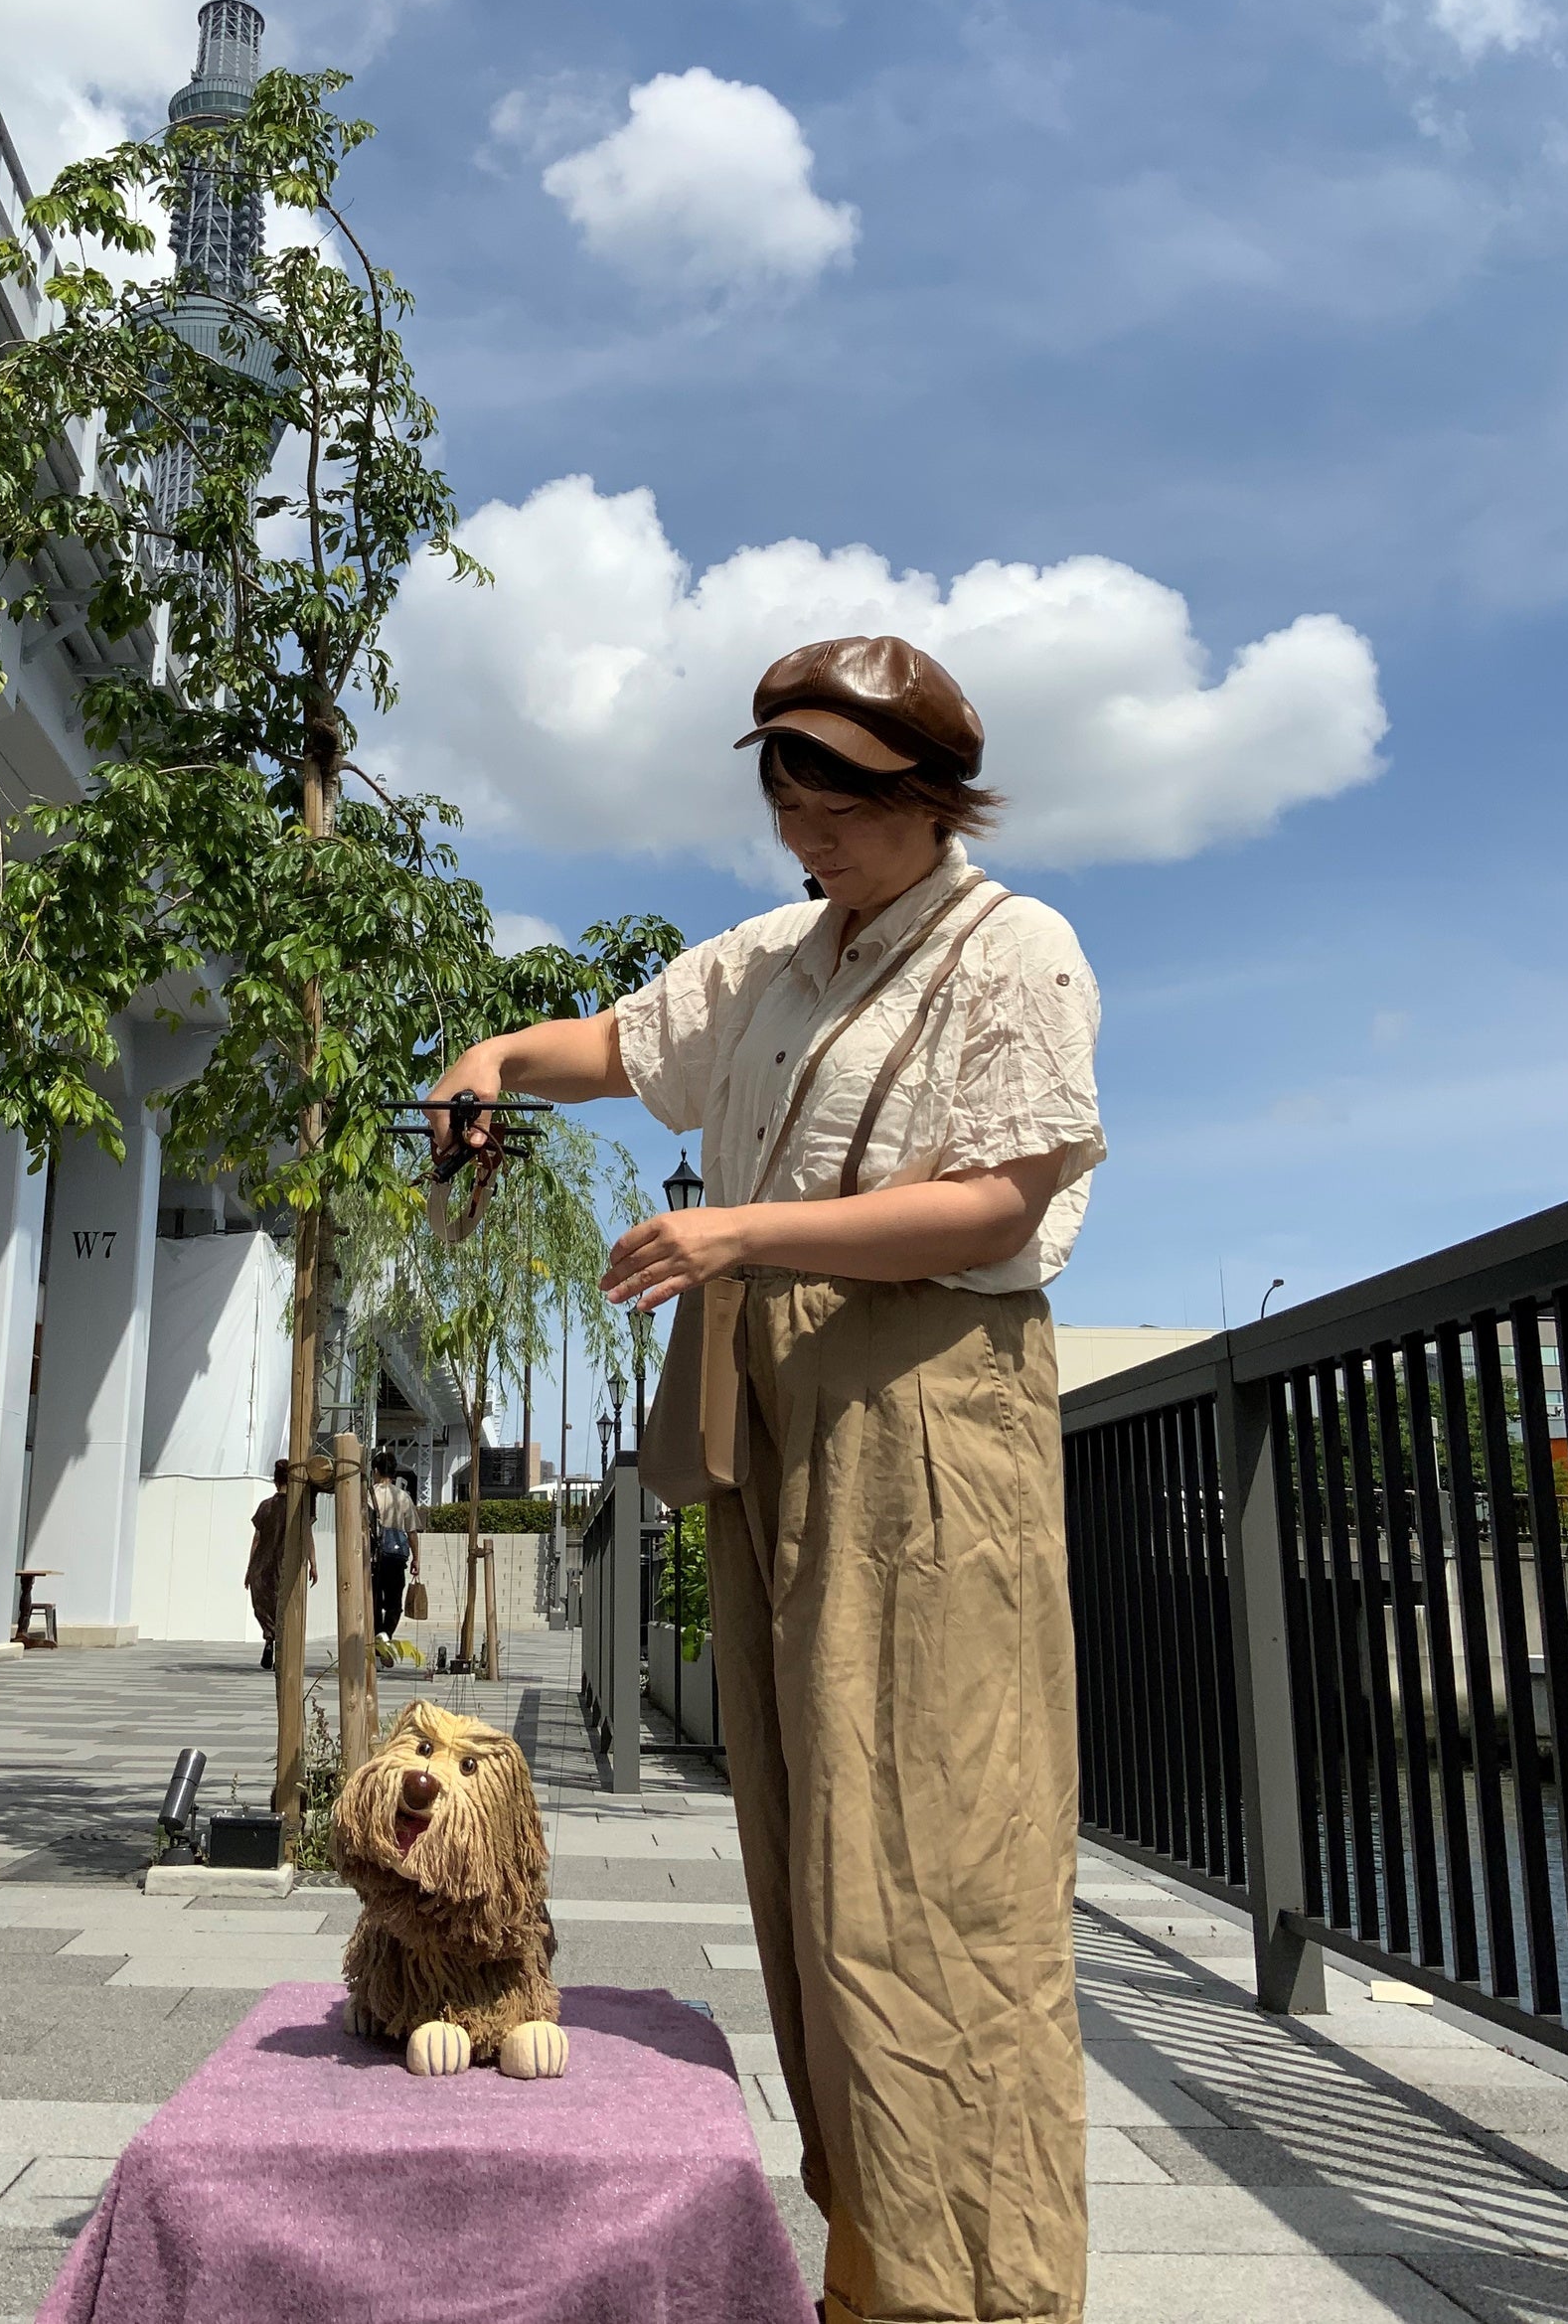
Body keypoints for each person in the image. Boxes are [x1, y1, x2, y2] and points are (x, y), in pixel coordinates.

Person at [425, 636, 1102, 2324]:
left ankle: (982, 2290)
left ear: (931, 798)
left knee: (940, 1852)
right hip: (774, 1403)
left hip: (927, 1401)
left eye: (842, 802)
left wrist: (737, 1231)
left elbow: (1000, 1202)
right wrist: (492, 1059)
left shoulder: (1013, 948)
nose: (809, 832)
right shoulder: (778, 958)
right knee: (807, 1841)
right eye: (787, 798)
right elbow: (619, 1041)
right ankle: (872, 2259)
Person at [245, 1457, 316, 1671]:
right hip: (287, 1566)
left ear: (276, 1481)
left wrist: (249, 1569)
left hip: (262, 1567)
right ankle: (281, 1651)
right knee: (285, 1609)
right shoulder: (298, 1508)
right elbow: (307, 1535)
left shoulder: (265, 1506)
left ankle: (269, 1637)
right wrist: (313, 1563)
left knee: (264, 1608)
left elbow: (256, 1540)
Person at [370, 1455, 420, 1642]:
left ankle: (376, 1636)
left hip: (373, 1557)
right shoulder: (403, 1497)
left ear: (375, 1471)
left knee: (373, 1600)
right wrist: (416, 1558)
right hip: (396, 1556)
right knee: (394, 1602)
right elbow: (412, 1531)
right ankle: (386, 1634)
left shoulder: (368, 1495)